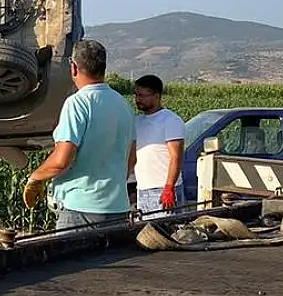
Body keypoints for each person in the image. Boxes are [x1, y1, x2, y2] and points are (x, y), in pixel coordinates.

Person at [22, 39, 136, 229]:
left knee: (73, 259)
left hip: (80, 210)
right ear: (103, 68)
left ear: (73, 68)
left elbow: (61, 160)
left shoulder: (78, 103)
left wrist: (36, 177)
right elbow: (131, 159)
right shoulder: (123, 105)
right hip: (117, 208)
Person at [130, 74, 186, 219]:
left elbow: (176, 157)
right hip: (143, 189)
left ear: (156, 96)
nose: (138, 99)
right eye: (136, 95)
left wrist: (169, 187)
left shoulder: (170, 120)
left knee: (166, 235)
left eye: (142, 95)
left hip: (163, 190)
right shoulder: (137, 121)